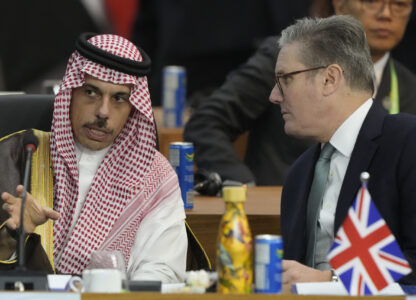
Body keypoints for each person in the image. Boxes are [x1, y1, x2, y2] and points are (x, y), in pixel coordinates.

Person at [0, 33, 188, 282]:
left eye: (119, 98)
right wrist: (13, 234)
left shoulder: (154, 176)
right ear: (71, 92)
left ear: (134, 107)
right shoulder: (16, 154)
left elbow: (162, 271)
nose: (103, 112)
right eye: (91, 92)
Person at [184, 0, 416, 186]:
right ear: (340, 5)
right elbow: (206, 123)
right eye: (372, 1)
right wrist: (246, 187)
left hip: (364, 229)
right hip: (277, 216)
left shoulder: (409, 88)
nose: (386, 14)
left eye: (400, 5)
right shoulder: (286, 58)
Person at [271, 15, 416, 284]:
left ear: (329, 79)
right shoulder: (299, 174)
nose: (274, 95)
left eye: (285, 79)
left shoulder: (408, 143)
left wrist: (332, 281)